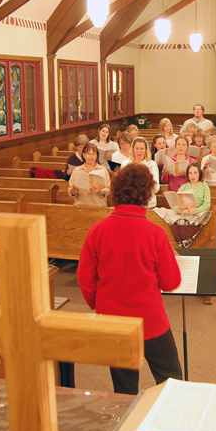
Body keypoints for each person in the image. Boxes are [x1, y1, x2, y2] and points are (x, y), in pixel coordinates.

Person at [77, 163, 182, 395]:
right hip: (150, 320)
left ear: (116, 192)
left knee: (123, 388)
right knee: (171, 382)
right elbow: (171, 282)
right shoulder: (155, 234)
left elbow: (85, 277)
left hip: (114, 321)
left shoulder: (98, 230)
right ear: (146, 196)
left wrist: (99, 303)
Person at [121, 137, 160, 208]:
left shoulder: (152, 164)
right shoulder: (126, 164)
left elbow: (156, 187)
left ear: (145, 150)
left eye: (142, 149)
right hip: (130, 203)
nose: (139, 151)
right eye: (137, 148)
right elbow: (121, 185)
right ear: (133, 149)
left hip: (148, 203)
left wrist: (145, 188)